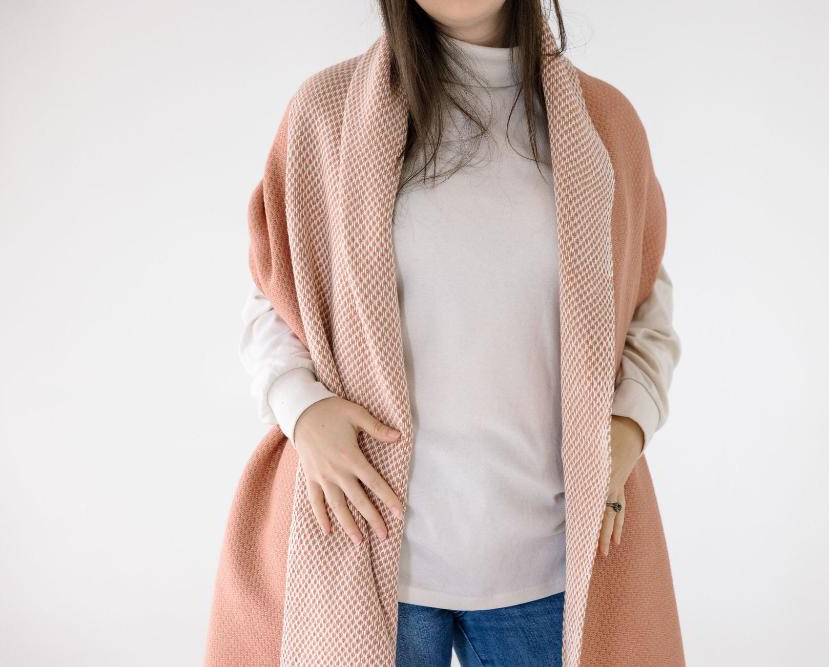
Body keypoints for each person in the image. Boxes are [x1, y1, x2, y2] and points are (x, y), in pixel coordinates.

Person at [208, 2, 683, 665]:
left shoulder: (604, 125)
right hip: (366, 546)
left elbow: (646, 314)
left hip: (550, 557)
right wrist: (303, 410)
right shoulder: (326, 113)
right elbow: (274, 299)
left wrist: (622, 439)